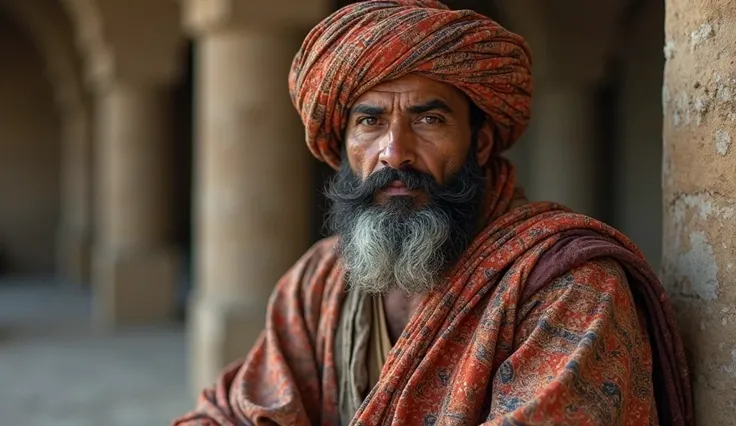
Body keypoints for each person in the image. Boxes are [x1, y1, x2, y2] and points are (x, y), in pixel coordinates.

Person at [173, 1, 692, 425]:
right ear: (344, 145)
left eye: (430, 118)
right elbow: (232, 412)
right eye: (370, 121)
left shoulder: (568, 287)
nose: (394, 152)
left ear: (481, 143)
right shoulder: (319, 281)